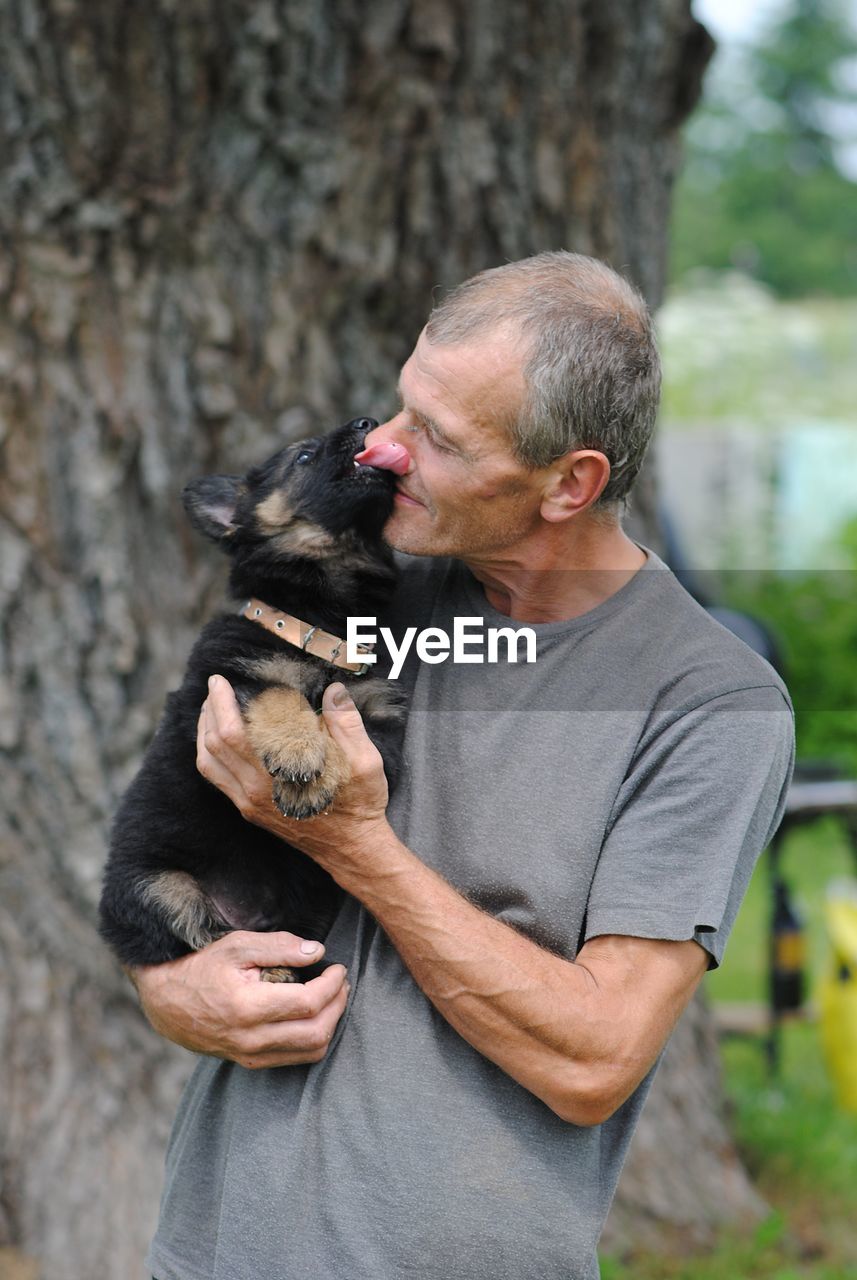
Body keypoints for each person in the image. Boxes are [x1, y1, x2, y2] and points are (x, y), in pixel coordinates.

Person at [136, 252, 794, 1280]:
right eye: (402, 405)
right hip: (213, 1249)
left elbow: (593, 1059)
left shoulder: (707, 703)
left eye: (437, 438)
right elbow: (175, 831)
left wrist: (351, 843)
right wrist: (170, 988)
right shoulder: (357, 588)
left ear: (569, 482)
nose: (386, 450)